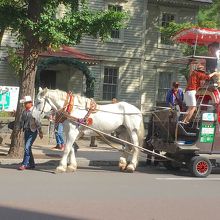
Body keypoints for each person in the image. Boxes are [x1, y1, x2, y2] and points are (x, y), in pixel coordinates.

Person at [18, 95, 43, 170]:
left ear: (30, 103)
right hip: (26, 131)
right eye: (24, 103)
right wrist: (19, 129)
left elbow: (38, 123)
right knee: (28, 148)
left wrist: (40, 132)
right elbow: (22, 121)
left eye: (26, 103)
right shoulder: (24, 111)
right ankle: (32, 164)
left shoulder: (35, 112)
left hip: (33, 132)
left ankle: (24, 164)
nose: (24, 105)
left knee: (27, 147)